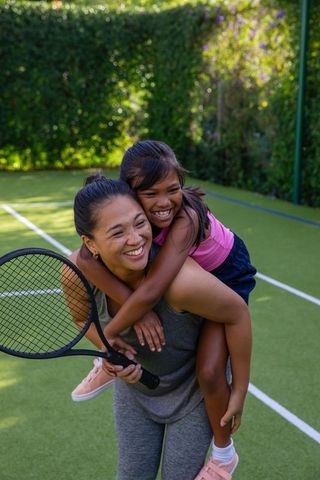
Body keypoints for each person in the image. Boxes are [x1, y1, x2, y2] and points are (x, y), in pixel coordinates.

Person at [70, 175, 252, 480]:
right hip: (136, 391)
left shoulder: (181, 281)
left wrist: (241, 388)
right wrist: (110, 350)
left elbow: (237, 313)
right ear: (90, 243)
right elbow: (82, 320)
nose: (135, 238)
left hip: (192, 393)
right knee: (131, 475)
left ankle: (224, 456)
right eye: (117, 232)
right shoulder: (77, 273)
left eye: (140, 223)